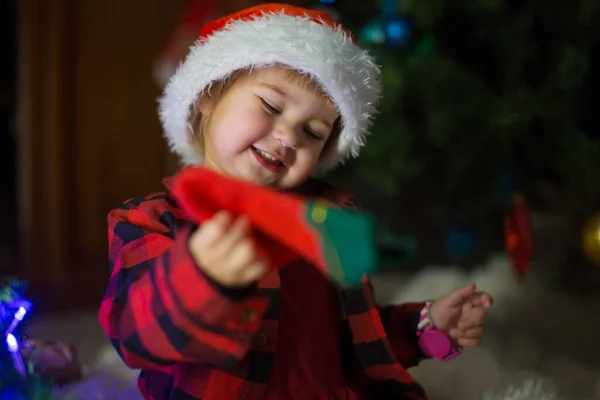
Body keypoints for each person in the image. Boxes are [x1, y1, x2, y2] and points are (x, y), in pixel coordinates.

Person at [99, 4, 493, 399]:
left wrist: (425, 328)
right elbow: (135, 334)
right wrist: (200, 278)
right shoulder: (150, 220)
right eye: (271, 106)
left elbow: (350, 341)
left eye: (312, 131)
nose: (289, 137)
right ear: (208, 93)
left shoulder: (325, 219)